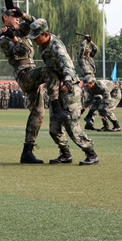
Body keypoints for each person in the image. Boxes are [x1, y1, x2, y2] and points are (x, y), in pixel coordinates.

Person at [28, 18, 99, 165]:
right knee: (54, 129)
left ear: (46, 34)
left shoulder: (56, 46)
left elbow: (67, 64)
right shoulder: (43, 46)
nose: (34, 40)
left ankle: (91, 154)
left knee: (71, 125)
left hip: (70, 88)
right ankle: (65, 154)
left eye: (37, 36)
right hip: (57, 88)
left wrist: (67, 80)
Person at [0, 6, 59, 164]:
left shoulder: (21, 30)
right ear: (5, 17)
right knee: (48, 70)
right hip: (24, 75)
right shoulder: (4, 39)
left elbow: (37, 24)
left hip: (33, 74)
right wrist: (13, 38)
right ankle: (56, 103)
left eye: (17, 16)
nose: (16, 18)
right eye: (13, 16)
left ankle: (27, 152)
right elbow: (24, 50)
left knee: (38, 113)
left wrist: (23, 15)